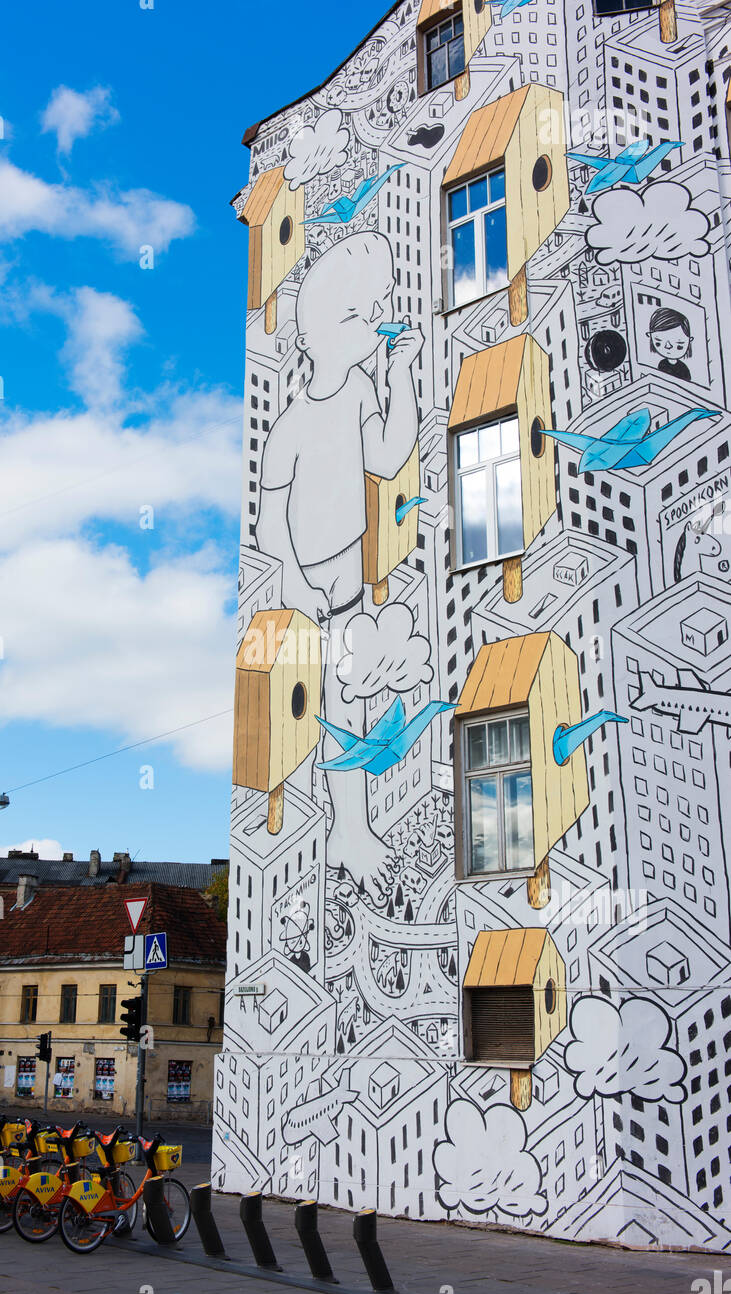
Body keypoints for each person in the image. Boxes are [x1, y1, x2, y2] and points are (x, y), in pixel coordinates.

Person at [257, 232, 424, 897]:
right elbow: (271, 524)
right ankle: (345, 831)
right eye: (364, 312)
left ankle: (348, 829)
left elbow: (386, 456)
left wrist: (401, 374)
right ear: (321, 332)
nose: (378, 320)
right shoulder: (290, 426)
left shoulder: (358, 388)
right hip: (312, 598)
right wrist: (298, 586)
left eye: (378, 306)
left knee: (348, 719)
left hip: (350, 594)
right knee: (328, 720)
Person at [647, 307, 693, 381]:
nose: (668, 347)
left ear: (689, 341)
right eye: (658, 343)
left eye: (679, 346)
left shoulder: (683, 368)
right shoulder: (662, 365)